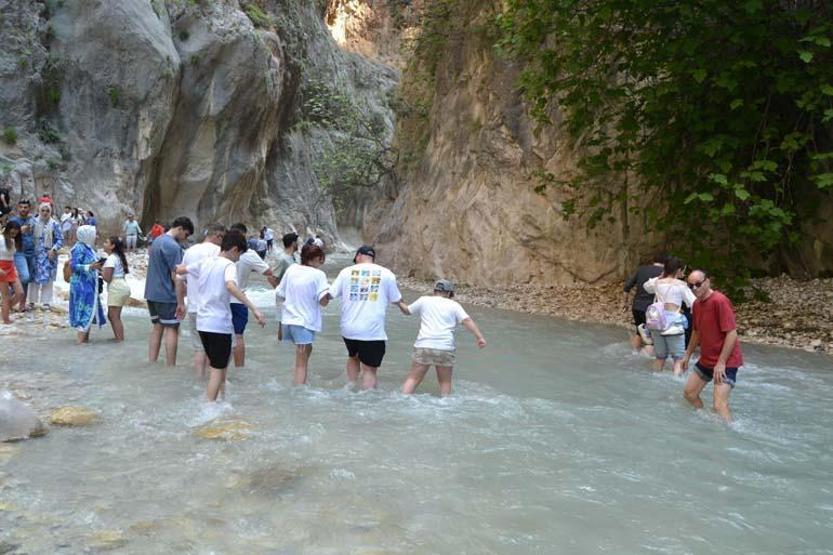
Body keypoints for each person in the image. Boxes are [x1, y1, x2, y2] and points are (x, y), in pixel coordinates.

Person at [177, 230, 266, 401]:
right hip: (219, 324)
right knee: (217, 371)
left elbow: (179, 271)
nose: (238, 259)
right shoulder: (228, 265)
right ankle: (208, 410)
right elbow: (231, 286)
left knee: (219, 368)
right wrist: (254, 308)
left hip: (202, 323)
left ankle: (222, 404)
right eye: (239, 255)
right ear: (234, 249)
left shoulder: (204, 262)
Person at [327, 245, 404, 389]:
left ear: (358, 256)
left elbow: (329, 295)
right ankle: (365, 400)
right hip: (372, 331)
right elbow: (396, 299)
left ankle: (350, 386)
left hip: (348, 329)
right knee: (369, 369)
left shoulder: (345, 272)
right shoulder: (387, 274)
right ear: (373, 258)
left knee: (353, 357)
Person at [399, 280, 486, 395]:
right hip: (445, 347)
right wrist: (479, 337)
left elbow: (407, 311)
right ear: (450, 293)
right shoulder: (454, 305)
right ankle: (446, 406)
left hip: (424, 345)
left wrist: (398, 301)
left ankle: (403, 399)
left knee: (413, 379)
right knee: (445, 383)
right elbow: (466, 320)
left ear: (434, 291)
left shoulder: (424, 300)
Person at [681, 270, 743, 422]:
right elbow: (696, 331)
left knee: (719, 405)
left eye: (698, 284)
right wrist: (687, 354)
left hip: (726, 361)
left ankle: (728, 435)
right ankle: (707, 423)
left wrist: (721, 362)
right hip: (707, 359)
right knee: (690, 394)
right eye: (691, 286)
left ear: (707, 282)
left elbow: (732, 333)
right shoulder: (696, 304)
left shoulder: (719, 301)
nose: (694, 288)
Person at [276, 243, 329, 385]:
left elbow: (280, 293)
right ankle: (298, 395)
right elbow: (323, 302)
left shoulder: (292, 269)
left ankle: (302, 382)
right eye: (321, 259)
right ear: (317, 258)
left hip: (288, 321)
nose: (321, 262)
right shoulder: (319, 275)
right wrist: (330, 294)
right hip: (303, 323)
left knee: (305, 352)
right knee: (301, 364)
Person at [144, 216, 193, 366]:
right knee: (172, 328)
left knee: (157, 326)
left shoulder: (157, 241)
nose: (185, 239)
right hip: (166, 294)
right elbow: (176, 275)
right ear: (180, 229)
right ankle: (170, 366)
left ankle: (152, 362)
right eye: (186, 234)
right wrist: (181, 302)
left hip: (151, 293)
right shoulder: (173, 246)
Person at [178, 223, 225, 377]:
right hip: (214, 310)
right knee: (216, 351)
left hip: (194, 307)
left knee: (199, 348)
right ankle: (215, 386)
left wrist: (180, 303)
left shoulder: (190, 251)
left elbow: (179, 278)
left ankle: (199, 381)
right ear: (217, 236)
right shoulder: (220, 252)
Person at [228, 223, 278, 367]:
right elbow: (269, 271)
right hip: (239, 300)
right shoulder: (249, 254)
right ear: (243, 235)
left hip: (218, 300)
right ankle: (239, 370)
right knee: (238, 336)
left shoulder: (220, 251)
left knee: (218, 335)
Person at [643, 257, 695, 375]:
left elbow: (646, 286)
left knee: (660, 358)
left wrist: (660, 277)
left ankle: (653, 380)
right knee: (678, 359)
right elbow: (693, 303)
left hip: (657, 324)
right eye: (683, 270)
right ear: (678, 270)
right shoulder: (681, 285)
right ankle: (677, 383)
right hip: (674, 325)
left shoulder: (657, 283)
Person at [68, 225, 106, 344]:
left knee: (89, 312)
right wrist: (90, 267)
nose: (96, 237)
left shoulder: (88, 248)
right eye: (94, 234)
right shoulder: (79, 248)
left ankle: (84, 342)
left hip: (89, 284)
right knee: (85, 311)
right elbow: (73, 266)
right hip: (82, 285)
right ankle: (80, 343)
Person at [623, 253, 666, 354]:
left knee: (639, 332)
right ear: (665, 263)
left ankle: (633, 354)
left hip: (636, 307)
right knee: (650, 340)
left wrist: (625, 303)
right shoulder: (664, 274)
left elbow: (627, 287)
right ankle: (645, 362)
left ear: (653, 260)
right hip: (651, 310)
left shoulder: (641, 269)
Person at [28, 202, 63, 310]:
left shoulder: (54, 224)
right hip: (35, 254)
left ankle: (46, 302)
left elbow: (60, 239)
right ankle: (31, 301)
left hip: (49, 255)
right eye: (42, 210)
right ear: (39, 211)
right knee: (33, 278)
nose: (45, 213)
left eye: (47, 211)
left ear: (50, 212)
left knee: (48, 278)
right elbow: (28, 236)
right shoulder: (33, 222)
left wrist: (54, 249)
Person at [8, 200, 37, 312]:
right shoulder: (13, 221)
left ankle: (22, 305)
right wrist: (20, 230)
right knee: (24, 276)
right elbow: (6, 235)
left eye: (26, 207)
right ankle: (10, 294)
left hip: (31, 252)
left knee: (27, 279)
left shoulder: (32, 220)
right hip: (19, 252)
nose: (23, 209)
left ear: (29, 208)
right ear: (18, 208)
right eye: (21, 207)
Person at [102, 236, 130, 342]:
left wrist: (100, 271)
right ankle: (118, 338)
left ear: (112, 246)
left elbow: (107, 278)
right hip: (121, 285)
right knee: (113, 315)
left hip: (116, 287)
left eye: (106, 242)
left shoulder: (111, 258)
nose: (104, 244)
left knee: (114, 316)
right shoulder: (117, 257)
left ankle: (119, 340)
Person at [0, 221, 24, 324]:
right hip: (1, 267)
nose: (14, 231)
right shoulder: (1, 239)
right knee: (6, 296)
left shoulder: (14, 241)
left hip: (11, 267)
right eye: (12, 228)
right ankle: (6, 319)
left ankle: (5, 310)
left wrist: (15, 269)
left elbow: (11, 256)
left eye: (17, 229)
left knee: (20, 293)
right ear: (8, 228)